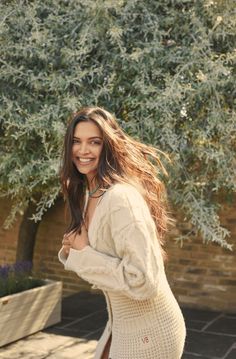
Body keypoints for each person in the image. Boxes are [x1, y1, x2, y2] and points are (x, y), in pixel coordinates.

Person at [58, 106, 186, 359]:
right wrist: (74, 250)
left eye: (94, 142)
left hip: (152, 331)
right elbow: (102, 257)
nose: (83, 150)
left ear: (108, 146)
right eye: (76, 141)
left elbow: (143, 281)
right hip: (121, 324)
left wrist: (83, 254)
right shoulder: (90, 193)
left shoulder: (121, 199)